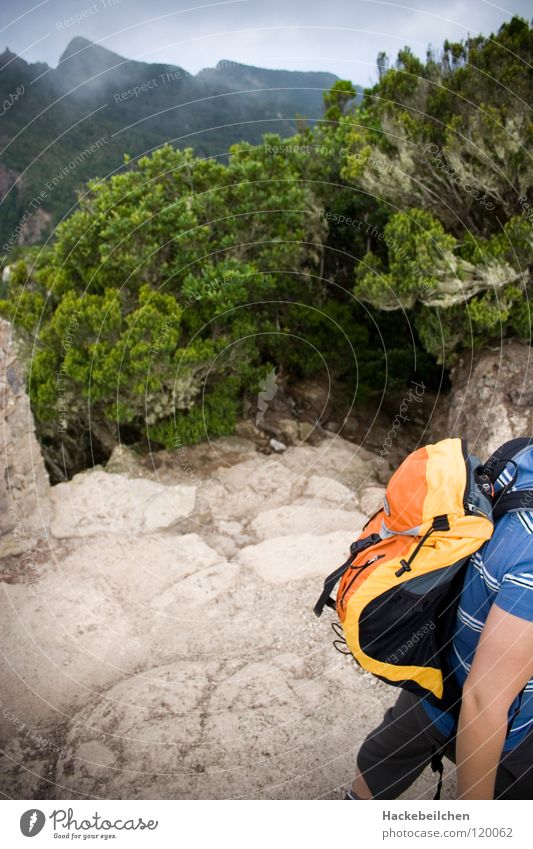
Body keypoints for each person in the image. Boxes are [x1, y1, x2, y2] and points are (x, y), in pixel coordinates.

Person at [347, 446, 533, 800]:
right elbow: (484, 702)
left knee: (385, 754)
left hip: (436, 668)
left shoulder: (520, 456)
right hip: (507, 727)